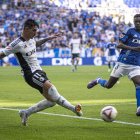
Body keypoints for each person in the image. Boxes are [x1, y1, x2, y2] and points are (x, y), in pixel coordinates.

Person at [0, 19, 83, 126]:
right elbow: (2, 54)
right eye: (34, 30)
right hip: (30, 74)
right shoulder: (16, 43)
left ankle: (26, 113)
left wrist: (48, 38)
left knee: (51, 101)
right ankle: (74, 108)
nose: (36, 33)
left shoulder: (31, 39)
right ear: (26, 29)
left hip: (39, 71)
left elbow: (36, 43)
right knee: (52, 89)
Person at [87, 14, 140, 116]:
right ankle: (98, 80)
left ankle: (139, 108)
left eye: (139, 22)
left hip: (136, 65)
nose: (137, 23)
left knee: (138, 84)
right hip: (123, 63)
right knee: (108, 85)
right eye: (136, 21)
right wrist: (134, 48)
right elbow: (119, 45)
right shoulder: (129, 31)